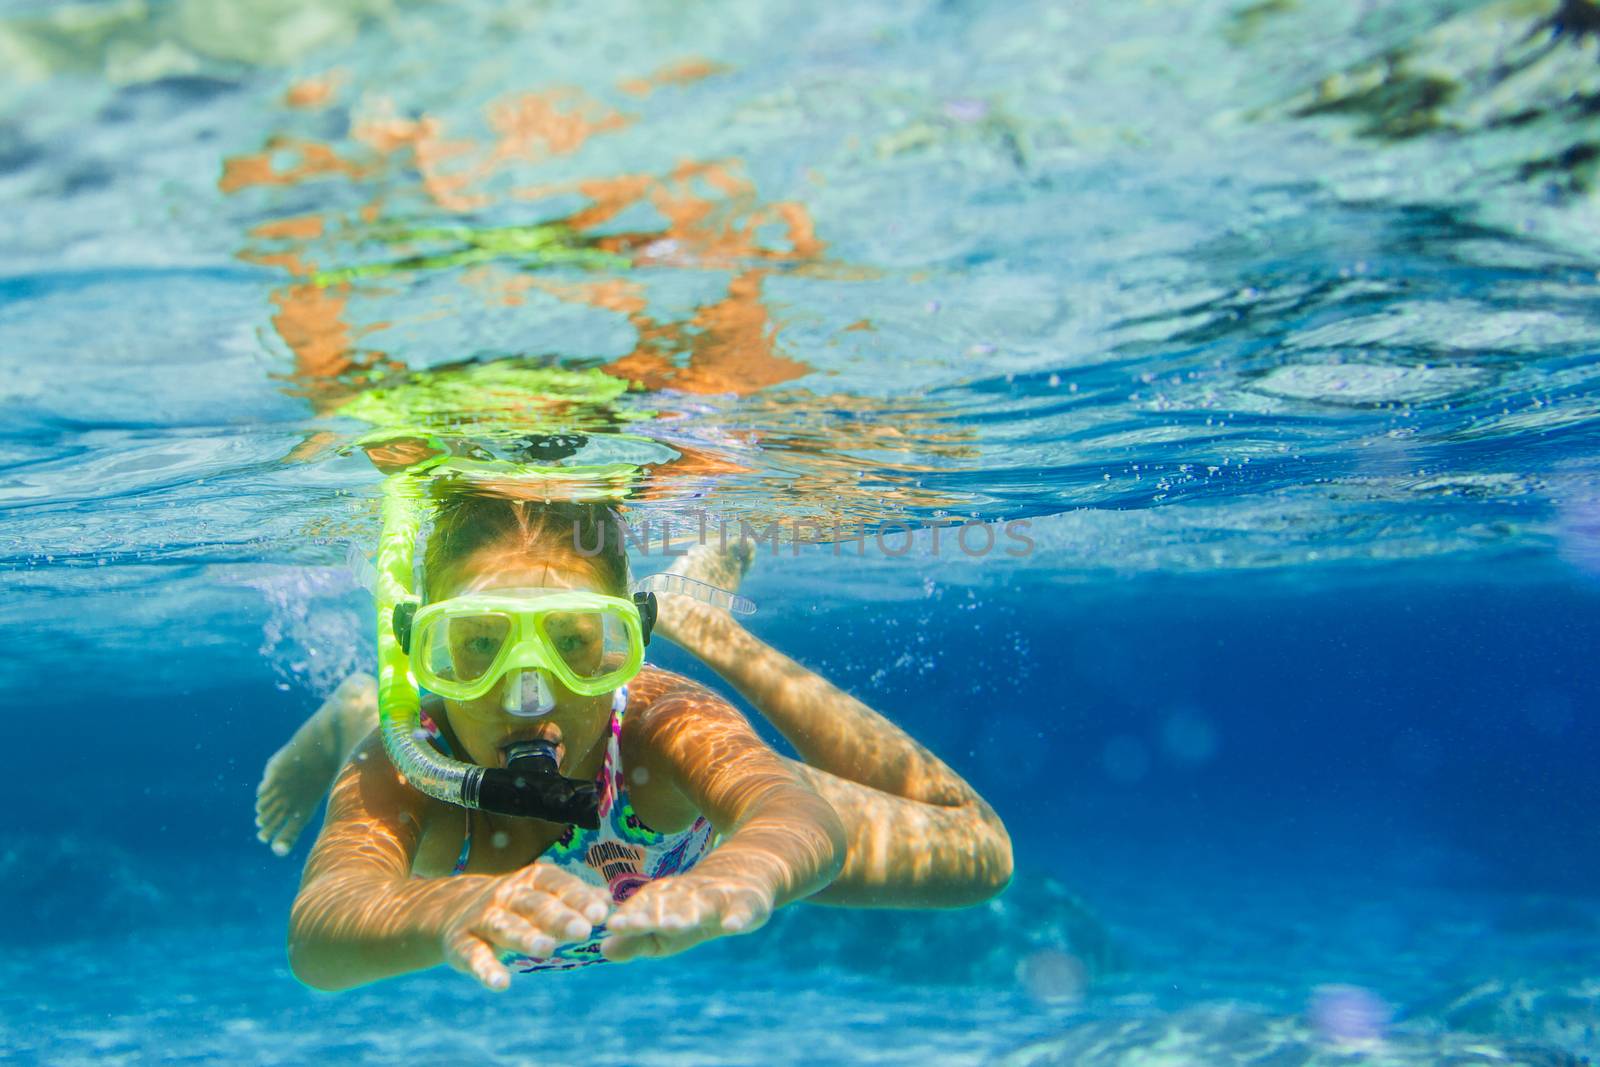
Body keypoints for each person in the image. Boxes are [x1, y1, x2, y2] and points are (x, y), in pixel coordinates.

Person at [262, 493, 1012, 991]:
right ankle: (359, 699)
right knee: (369, 740)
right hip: (409, 743)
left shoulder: (660, 725)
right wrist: (448, 907)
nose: (531, 694)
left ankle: (708, 623)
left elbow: (794, 810)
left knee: (979, 855)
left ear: (631, 646)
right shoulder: (408, 757)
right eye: (477, 644)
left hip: (671, 819)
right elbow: (323, 927)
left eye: (576, 644)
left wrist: (741, 873)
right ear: (423, 655)